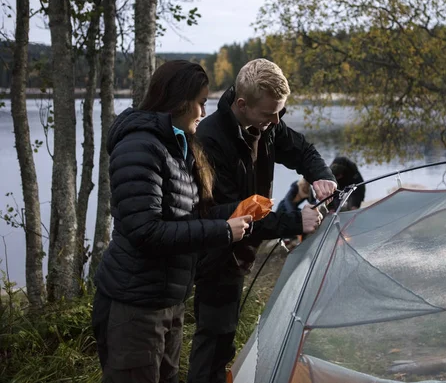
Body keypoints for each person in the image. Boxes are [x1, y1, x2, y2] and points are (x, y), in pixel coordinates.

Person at [91, 60, 253, 383]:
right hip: (134, 308)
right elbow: (145, 231)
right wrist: (222, 231)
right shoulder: (139, 146)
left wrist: (236, 211)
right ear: (180, 101)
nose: (203, 113)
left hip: (168, 302)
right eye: (201, 102)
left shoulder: (177, 147)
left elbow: (187, 217)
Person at [188, 59, 337, 383]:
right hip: (216, 250)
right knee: (214, 338)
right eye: (270, 114)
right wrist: (295, 222)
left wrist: (321, 176)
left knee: (224, 339)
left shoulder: (266, 123)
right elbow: (232, 213)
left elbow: (302, 150)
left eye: (280, 113)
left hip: (242, 248)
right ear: (242, 104)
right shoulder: (211, 139)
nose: (276, 121)